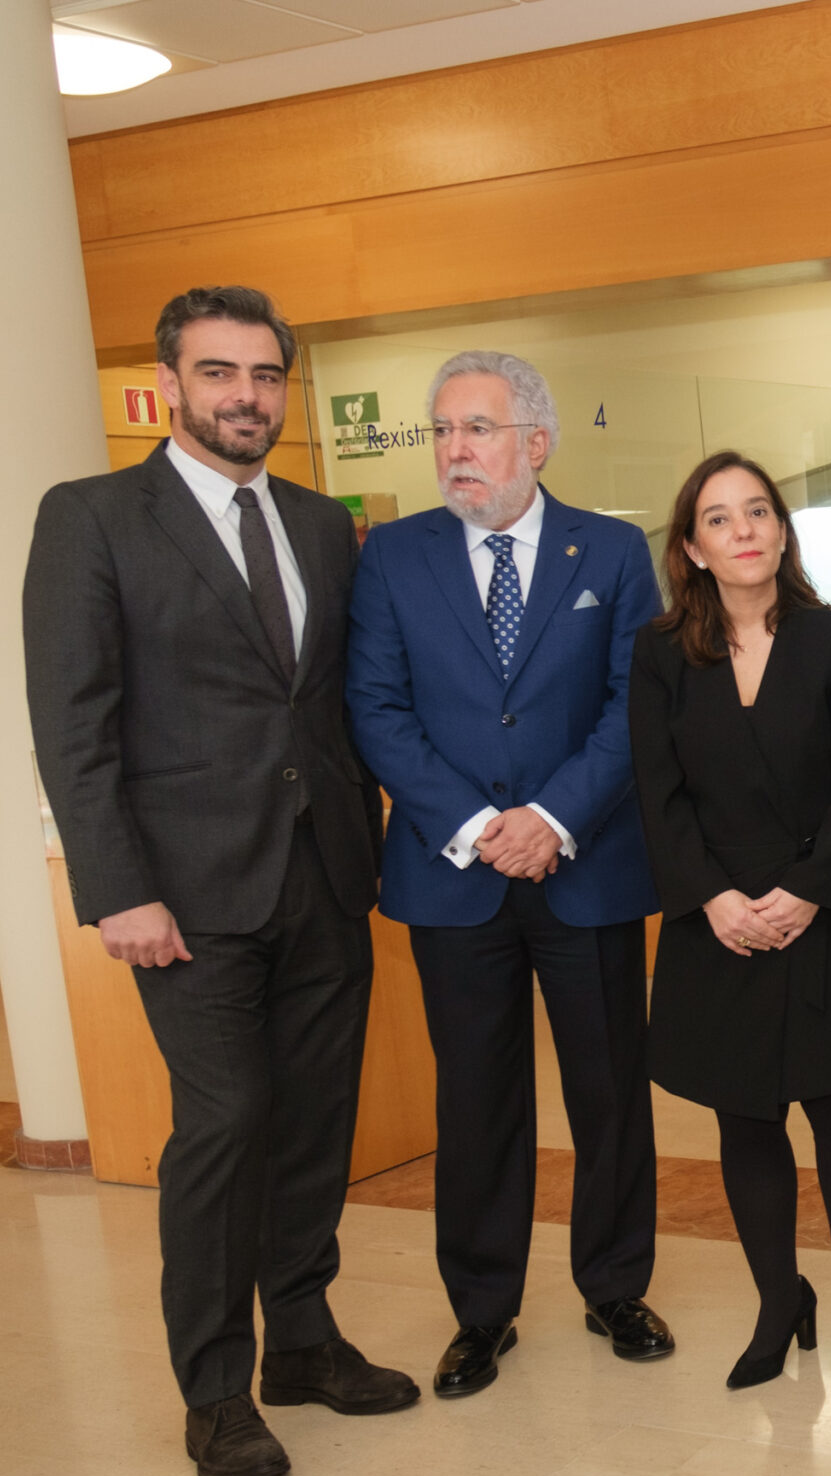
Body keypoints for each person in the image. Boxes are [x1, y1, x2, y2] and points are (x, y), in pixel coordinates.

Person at [24, 286, 415, 1476]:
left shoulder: (313, 521)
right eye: (219, 373)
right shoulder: (93, 517)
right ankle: (213, 1391)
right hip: (184, 901)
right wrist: (115, 889)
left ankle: (302, 1339)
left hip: (323, 875)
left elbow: (333, 702)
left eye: (263, 375)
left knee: (313, 1128)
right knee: (225, 1127)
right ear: (172, 380)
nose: (244, 395)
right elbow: (73, 720)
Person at [345, 350, 671, 1398]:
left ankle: (615, 1284)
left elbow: (635, 707)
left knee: (609, 1091)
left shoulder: (613, 552)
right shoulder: (392, 559)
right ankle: (482, 1312)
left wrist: (554, 818)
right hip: (455, 877)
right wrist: (484, 824)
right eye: (441, 432)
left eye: (475, 430)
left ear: (537, 441)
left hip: (586, 869)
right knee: (478, 1102)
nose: (454, 452)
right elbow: (377, 711)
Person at [629, 452, 831, 1389]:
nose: (744, 529)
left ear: (783, 532)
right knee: (746, 1121)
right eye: (720, 518)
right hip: (715, 920)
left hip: (822, 909)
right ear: (691, 548)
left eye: (759, 511)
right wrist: (712, 896)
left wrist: (805, 889)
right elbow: (658, 794)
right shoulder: (660, 651)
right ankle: (776, 1297)